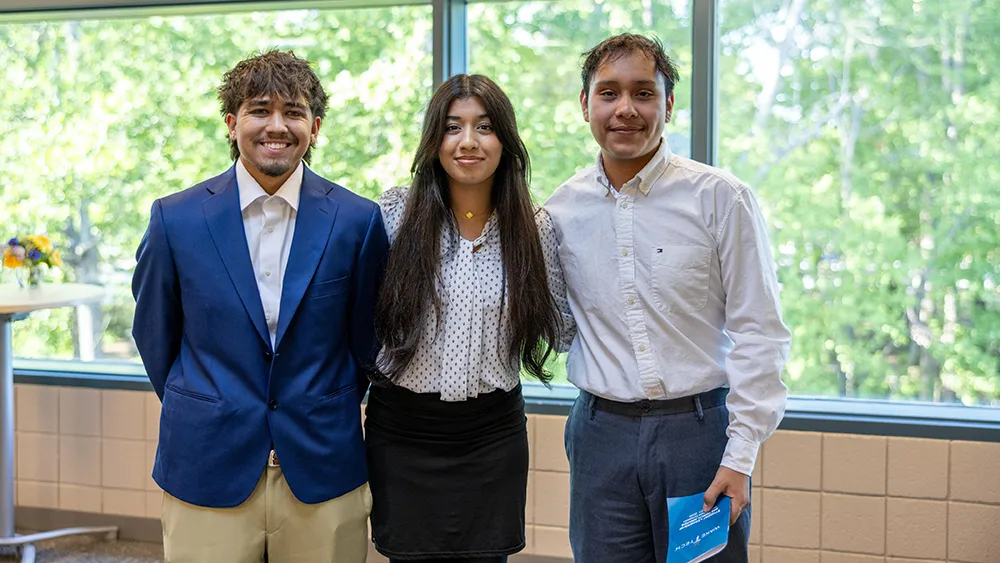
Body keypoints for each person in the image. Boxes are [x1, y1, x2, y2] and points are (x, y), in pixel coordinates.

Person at [131, 50, 387, 563]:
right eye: (259, 109)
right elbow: (154, 337)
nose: (277, 126)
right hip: (207, 460)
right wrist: (211, 403)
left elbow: (367, 342)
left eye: (293, 112)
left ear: (314, 128)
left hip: (322, 463)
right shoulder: (174, 220)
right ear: (232, 123)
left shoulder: (358, 221)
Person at [544, 33, 791, 563]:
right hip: (599, 438)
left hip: (699, 438)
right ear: (585, 104)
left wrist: (740, 455)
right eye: (608, 93)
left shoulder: (721, 198)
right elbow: (556, 325)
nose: (625, 109)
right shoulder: (559, 212)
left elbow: (760, 333)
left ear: (669, 104)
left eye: (643, 93)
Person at [365, 73, 571, 563]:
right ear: (434, 140)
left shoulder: (535, 227)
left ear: (506, 140)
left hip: (491, 435)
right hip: (403, 431)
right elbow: (358, 319)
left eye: (484, 127)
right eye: (453, 127)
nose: (468, 142)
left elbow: (562, 327)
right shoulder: (393, 213)